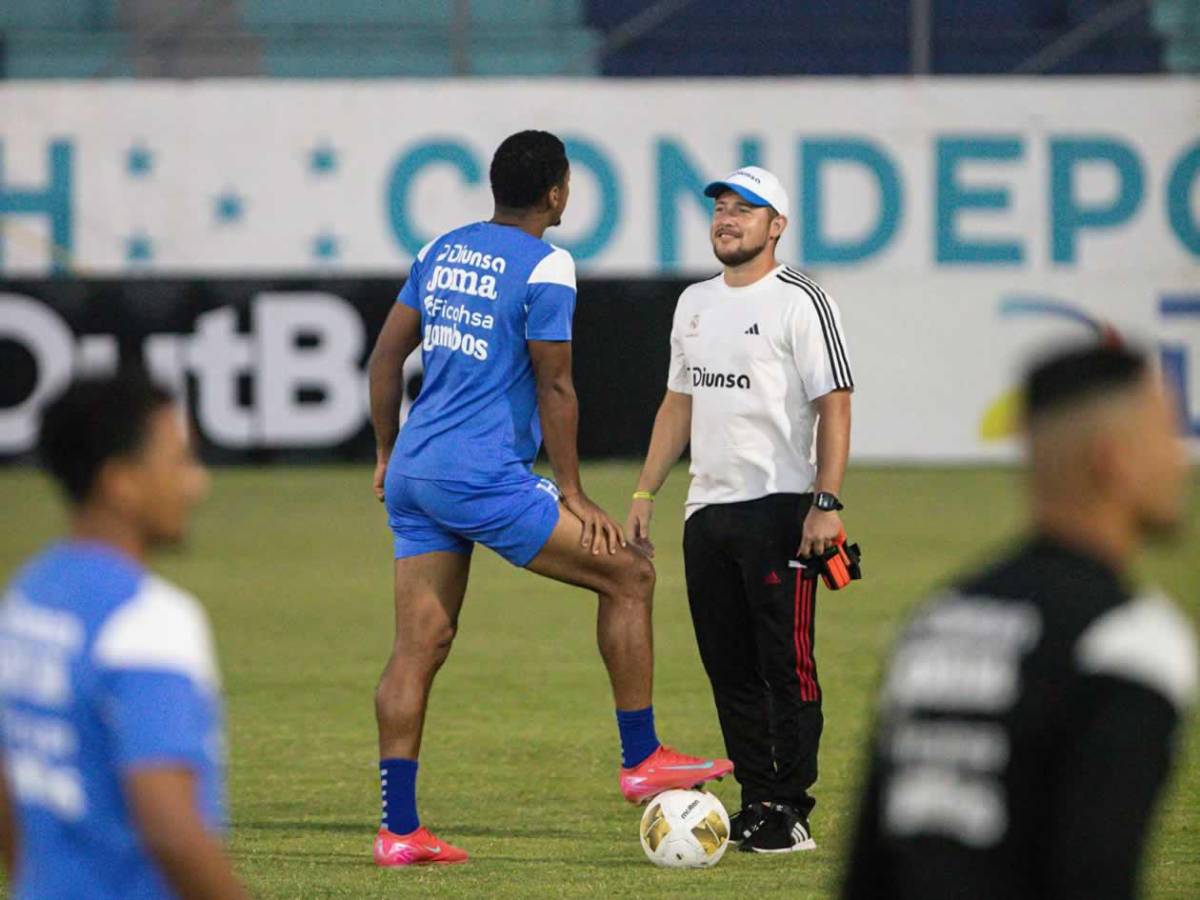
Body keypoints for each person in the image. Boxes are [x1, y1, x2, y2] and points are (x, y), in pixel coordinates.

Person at [367, 129, 732, 867]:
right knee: (628, 572)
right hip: (480, 475)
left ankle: (398, 831)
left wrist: (384, 452)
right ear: (558, 192)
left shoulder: (441, 250)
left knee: (420, 647)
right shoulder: (548, 264)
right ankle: (642, 759)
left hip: (416, 470)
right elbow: (555, 383)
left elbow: (383, 357)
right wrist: (572, 490)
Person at [843, 343, 1197, 899]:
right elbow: (1095, 876)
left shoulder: (941, 620)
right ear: (1114, 459)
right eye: (1164, 436)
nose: (1179, 460)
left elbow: (867, 871)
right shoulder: (1127, 642)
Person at [626, 166, 855, 853]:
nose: (727, 218)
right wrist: (646, 491)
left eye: (745, 209)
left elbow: (835, 404)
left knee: (787, 665)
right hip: (709, 511)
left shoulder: (801, 299)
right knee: (727, 666)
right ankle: (758, 800)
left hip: (781, 506)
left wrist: (826, 502)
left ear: (776, 225)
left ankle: (792, 808)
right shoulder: (693, 301)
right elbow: (679, 401)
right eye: (721, 208)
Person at [0, 373, 248, 900]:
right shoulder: (150, 621)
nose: (195, 483)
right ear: (121, 482)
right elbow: (171, 830)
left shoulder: (28, 597)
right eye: (178, 461)